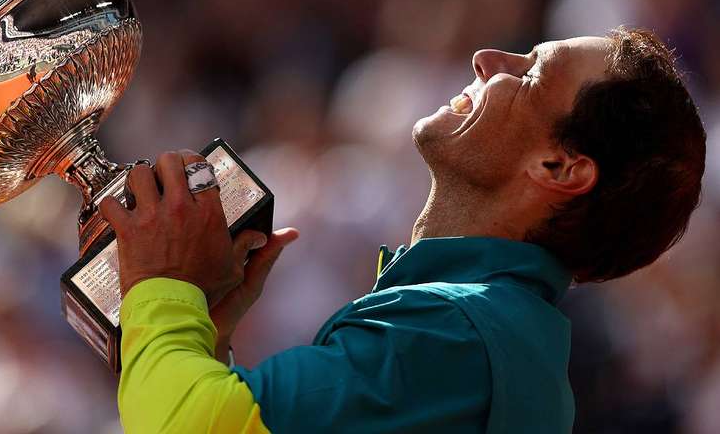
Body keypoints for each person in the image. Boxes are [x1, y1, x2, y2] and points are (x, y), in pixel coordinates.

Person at [99, 26, 706, 433]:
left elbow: (186, 423)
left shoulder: (457, 334)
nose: (489, 61)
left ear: (559, 168)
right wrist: (205, 335)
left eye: (529, 74)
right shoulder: (487, 332)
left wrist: (162, 285)